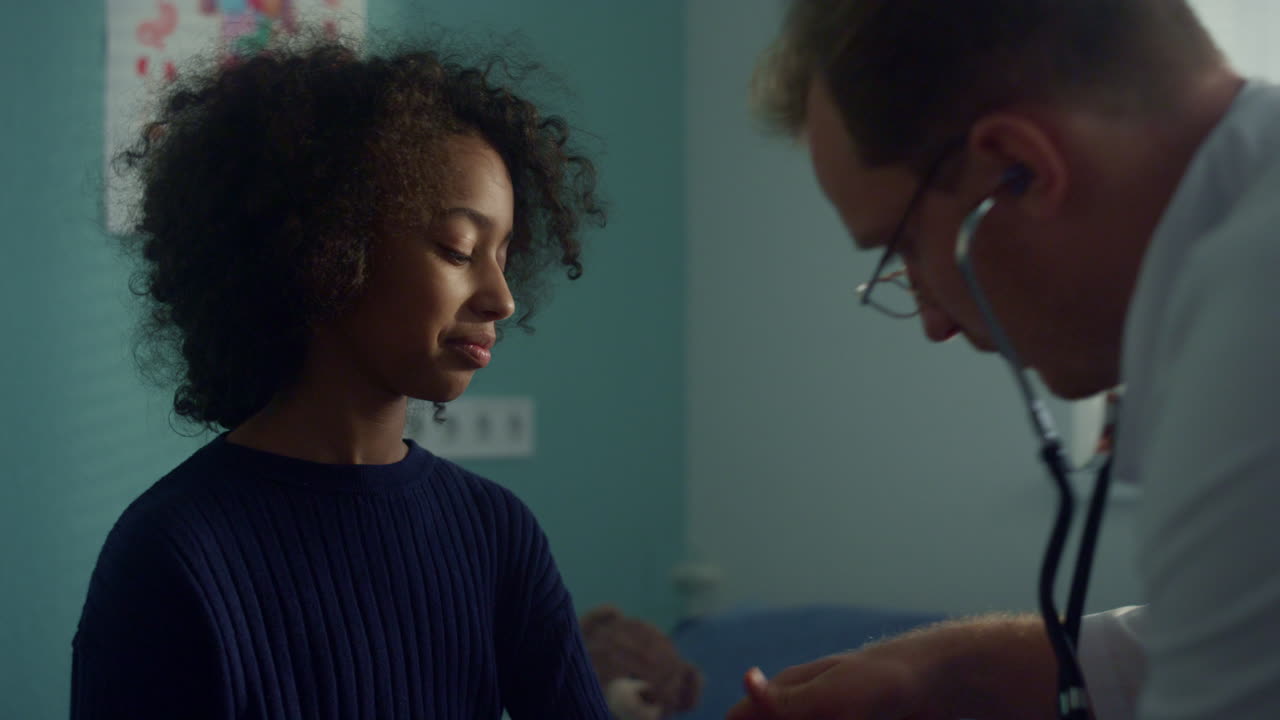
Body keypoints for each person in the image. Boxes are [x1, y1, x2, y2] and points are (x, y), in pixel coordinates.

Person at [730, 1, 1280, 718]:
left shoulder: (1251, 339)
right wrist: (935, 676)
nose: (932, 322)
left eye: (907, 251)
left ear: (1020, 167)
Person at [72, 34, 610, 720]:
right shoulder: (171, 556)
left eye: (504, 255)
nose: (501, 298)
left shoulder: (496, 534)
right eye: (458, 249)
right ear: (330, 247)